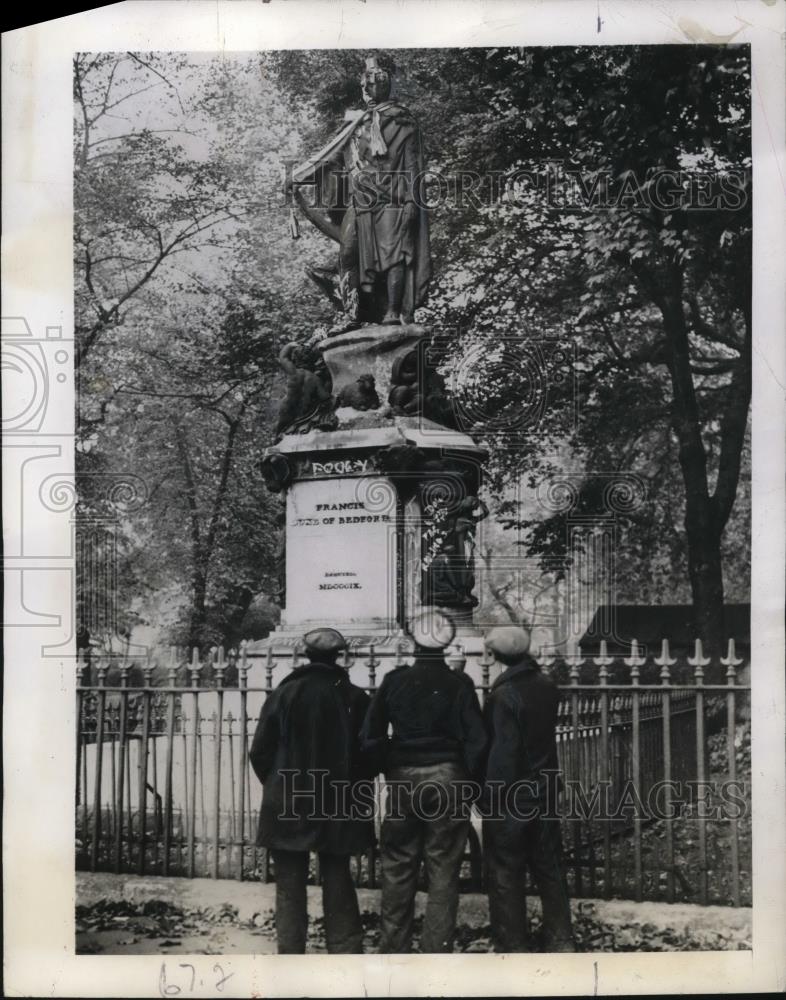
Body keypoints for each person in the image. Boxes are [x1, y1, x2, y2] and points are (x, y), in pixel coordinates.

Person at [360, 610, 487, 953]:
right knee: (443, 867)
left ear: (413, 641)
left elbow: (370, 736)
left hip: (404, 779)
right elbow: (477, 740)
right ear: (446, 644)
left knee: (398, 864)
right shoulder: (459, 684)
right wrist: (472, 782)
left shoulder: (394, 680)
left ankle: (393, 948)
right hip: (449, 778)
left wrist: (389, 765)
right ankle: (436, 950)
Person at [249, 628, 375, 954]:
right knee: (338, 877)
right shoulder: (355, 697)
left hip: (289, 800)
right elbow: (368, 756)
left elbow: (260, 752)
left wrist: (280, 784)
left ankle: (290, 955)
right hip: (337, 800)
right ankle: (345, 953)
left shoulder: (283, 695)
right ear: (338, 656)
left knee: (289, 884)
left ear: (306, 654)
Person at [290, 55, 431, 331]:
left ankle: (392, 312)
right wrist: (296, 180)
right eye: (364, 85)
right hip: (361, 201)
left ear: (386, 85)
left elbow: (414, 165)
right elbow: (328, 161)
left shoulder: (403, 122)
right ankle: (353, 314)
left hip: (393, 198)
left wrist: (413, 201)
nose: (367, 89)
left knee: (395, 255)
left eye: (374, 83)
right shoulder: (354, 126)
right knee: (348, 254)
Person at [481, 626, 577, 953]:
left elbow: (504, 754)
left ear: (495, 656)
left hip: (512, 796)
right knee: (549, 867)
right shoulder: (546, 686)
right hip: (545, 787)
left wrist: (489, 796)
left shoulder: (502, 696)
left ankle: (513, 944)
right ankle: (562, 939)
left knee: (506, 869)